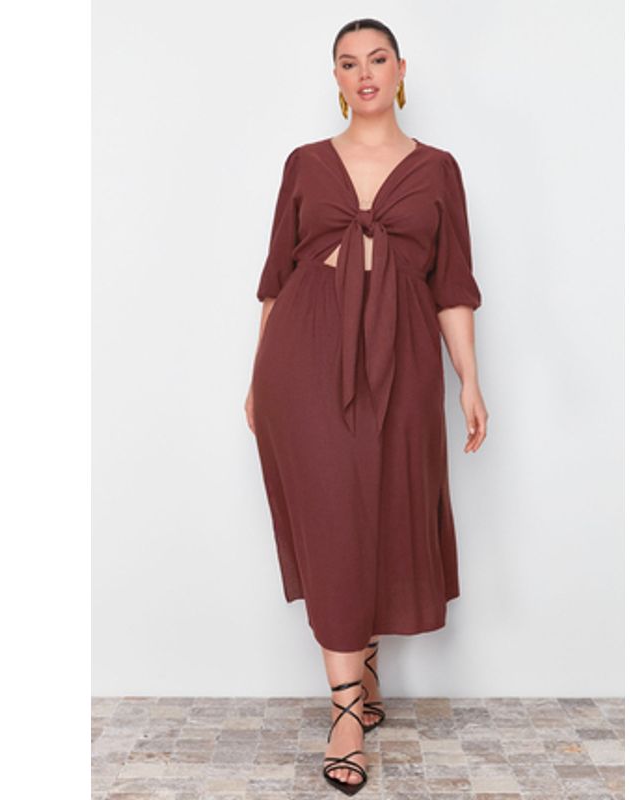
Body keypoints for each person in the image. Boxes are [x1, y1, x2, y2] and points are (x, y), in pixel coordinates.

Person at [245, 18, 489, 794]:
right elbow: (277, 277)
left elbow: (452, 284)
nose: (364, 73)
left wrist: (469, 379)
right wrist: (256, 375)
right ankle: (347, 710)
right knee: (333, 512)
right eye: (348, 63)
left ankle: (367, 668)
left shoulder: (439, 169)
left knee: (384, 504)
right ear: (337, 79)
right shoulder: (305, 163)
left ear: (400, 68)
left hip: (404, 357)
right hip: (303, 359)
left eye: (377, 59)